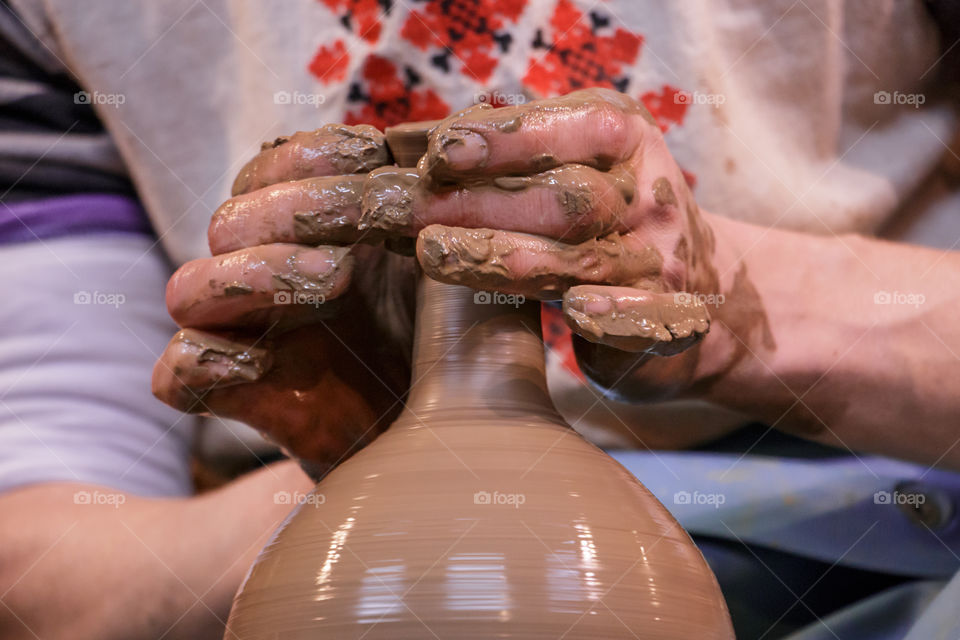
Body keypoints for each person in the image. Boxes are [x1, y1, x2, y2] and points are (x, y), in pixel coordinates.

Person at [1, 1, 958, 639]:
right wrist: (345, 510)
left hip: (879, 505)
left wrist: (744, 313)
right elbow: (43, 560)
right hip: (279, 516)